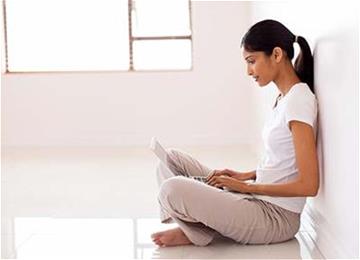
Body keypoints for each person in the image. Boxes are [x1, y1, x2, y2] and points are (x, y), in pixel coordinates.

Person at [151, 19, 319, 247]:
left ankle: (196, 232)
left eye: (252, 61)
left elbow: (309, 185)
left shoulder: (299, 101)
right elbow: (283, 163)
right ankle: (195, 228)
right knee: (170, 160)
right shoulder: (285, 98)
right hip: (256, 198)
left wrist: (247, 188)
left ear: (277, 54)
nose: (249, 71)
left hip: (275, 217)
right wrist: (246, 175)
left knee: (172, 189)